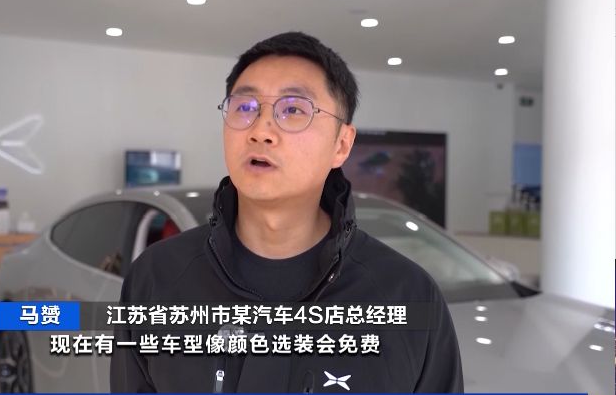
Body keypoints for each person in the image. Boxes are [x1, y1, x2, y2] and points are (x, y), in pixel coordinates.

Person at [110, 31, 463, 393]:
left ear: (341, 145)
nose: (260, 131)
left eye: (293, 110)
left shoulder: (407, 296)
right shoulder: (156, 278)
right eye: (244, 107)